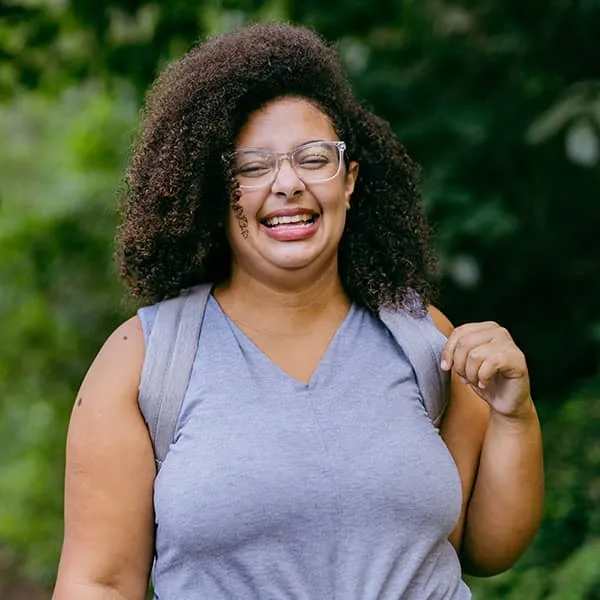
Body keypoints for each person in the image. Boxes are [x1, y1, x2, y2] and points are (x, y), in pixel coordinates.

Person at [52, 21, 543, 600]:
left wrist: (516, 415)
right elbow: (100, 582)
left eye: (314, 158)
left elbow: (483, 550)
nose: (287, 184)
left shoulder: (423, 337)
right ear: (216, 189)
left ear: (350, 181)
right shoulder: (144, 360)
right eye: (254, 166)